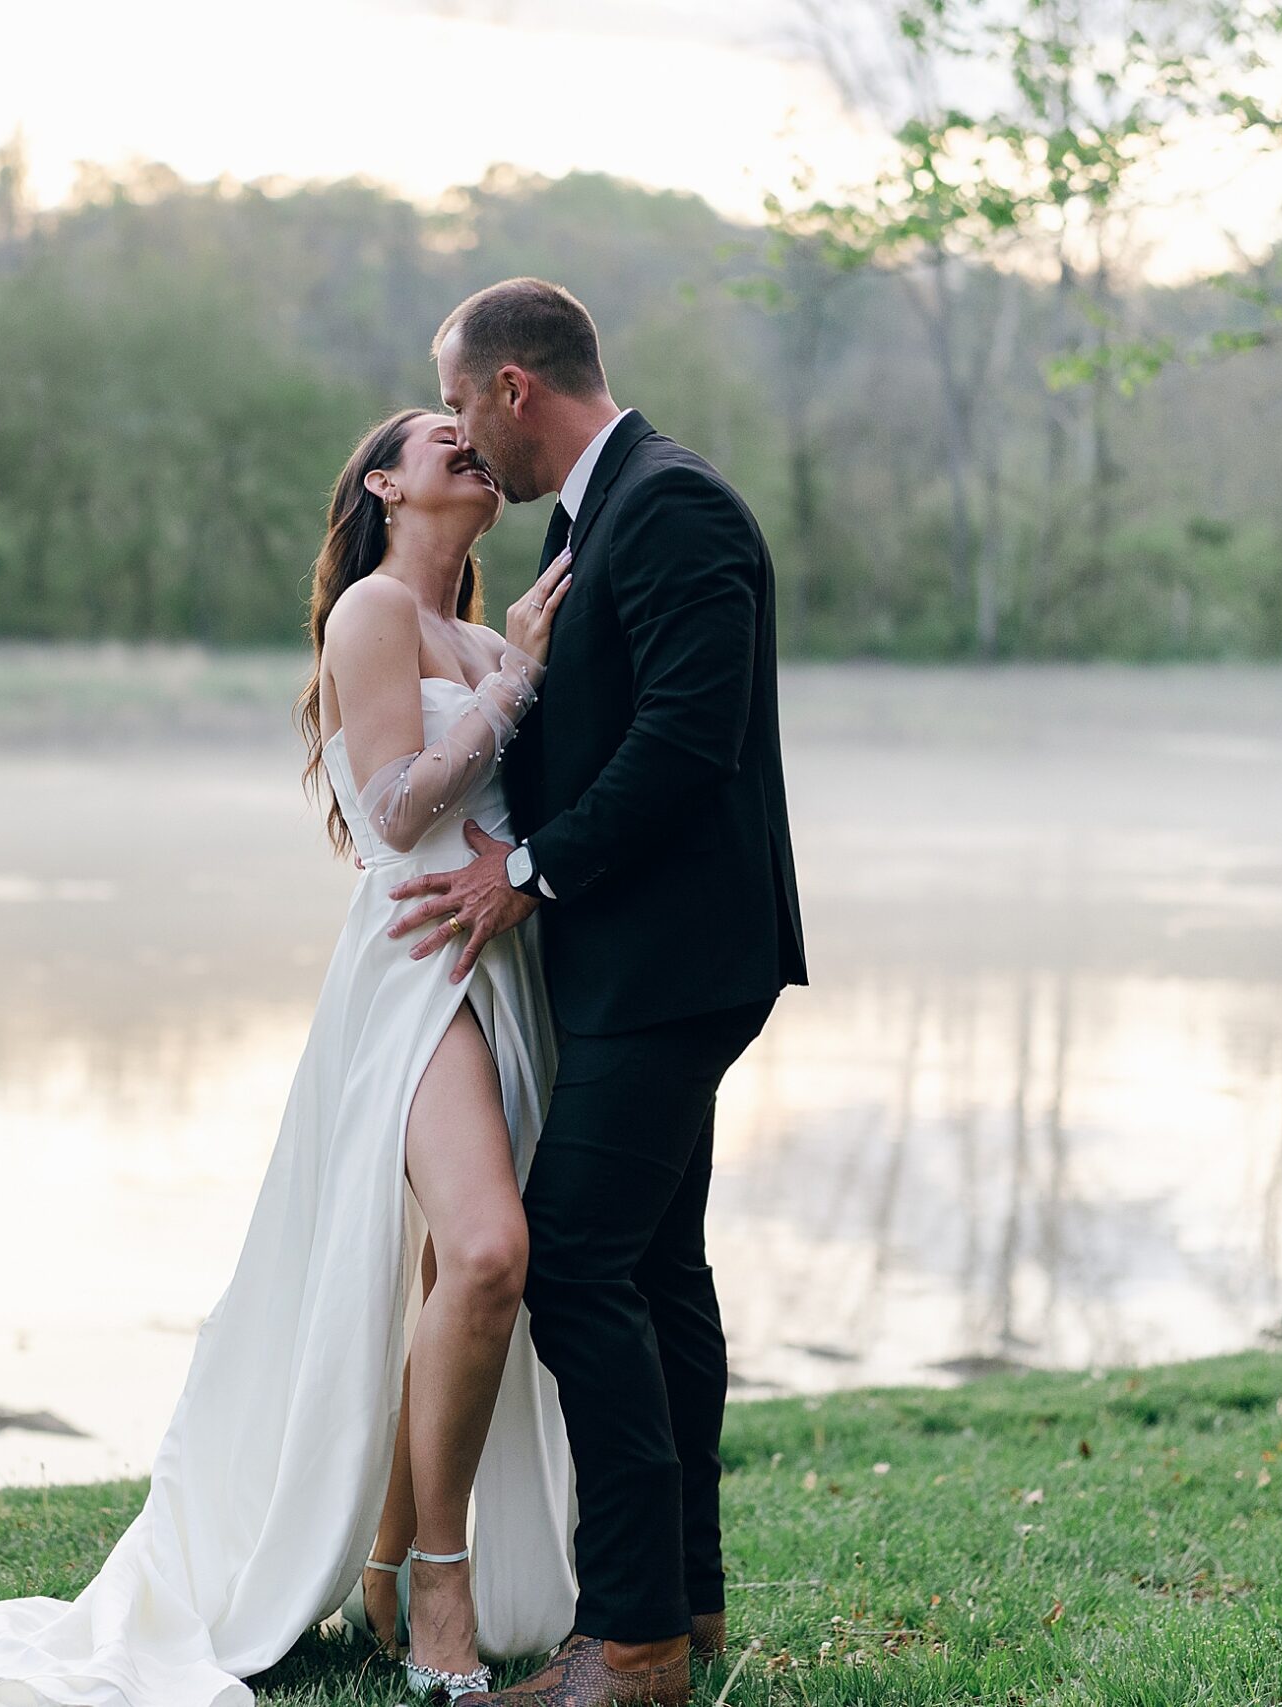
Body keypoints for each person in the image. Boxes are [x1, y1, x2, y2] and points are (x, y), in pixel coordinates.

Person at [0, 405, 578, 1707]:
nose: (466, 441)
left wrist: (524, 692)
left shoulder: (486, 632)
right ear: (382, 481)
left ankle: (391, 1570)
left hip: (501, 959)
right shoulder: (375, 616)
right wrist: (513, 689)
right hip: (411, 969)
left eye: (475, 431)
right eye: (437, 431)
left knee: (461, 1270)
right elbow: (394, 807)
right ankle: (437, 1580)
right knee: (490, 1252)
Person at [389, 278, 808, 1707]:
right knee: (656, 1272)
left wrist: (533, 872)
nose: (458, 431)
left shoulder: (676, 506)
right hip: (638, 958)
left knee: (570, 1259)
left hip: (673, 959)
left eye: (457, 402)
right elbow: (606, 723)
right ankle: (682, 1605)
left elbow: (693, 741)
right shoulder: (593, 520)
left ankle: (625, 1645)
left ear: (514, 389)